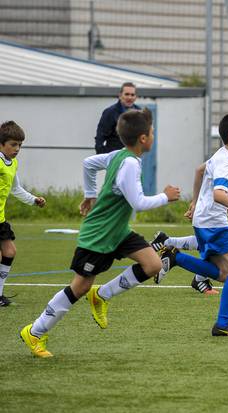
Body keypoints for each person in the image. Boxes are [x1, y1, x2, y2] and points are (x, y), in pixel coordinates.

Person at [20, 108, 181, 358]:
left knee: (153, 264)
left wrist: (89, 194)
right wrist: (165, 197)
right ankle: (35, 332)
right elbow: (138, 202)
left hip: (117, 232)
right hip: (98, 235)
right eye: (152, 132)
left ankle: (102, 295)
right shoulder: (128, 163)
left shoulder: (119, 155)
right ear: (143, 138)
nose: (153, 135)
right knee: (80, 287)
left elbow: (88, 164)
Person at [156, 114, 228, 337]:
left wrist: (197, 201)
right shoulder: (227, 162)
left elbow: (201, 172)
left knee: (223, 273)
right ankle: (223, 324)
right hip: (213, 223)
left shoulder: (225, 156)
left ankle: (175, 257)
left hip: (207, 219)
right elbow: (219, 194)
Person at [151, 125, 228, 295]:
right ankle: (175, 256)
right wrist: (196, 202)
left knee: (212, 249)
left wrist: (224, 203)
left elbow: (215, 183)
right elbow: (200, 172)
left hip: (213, 214)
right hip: (210, 215)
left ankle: (170, 247)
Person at [0, 121, 46, 307]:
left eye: (20, 145)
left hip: (0, 218)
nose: (17, 148)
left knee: (9, 251)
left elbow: (16, 189)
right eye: (13, 144)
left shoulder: (13, 163)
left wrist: (33, 199)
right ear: (1, 143)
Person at [95, 82, 140, 154]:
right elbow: (100, 136)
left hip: (133, 155)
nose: (129, 97)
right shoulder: (110, 112)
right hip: (114, 155)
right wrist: (103, 155)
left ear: (136, 97)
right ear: (120, 95)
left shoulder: (139, 112)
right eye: (127, 94)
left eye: (132, 95)